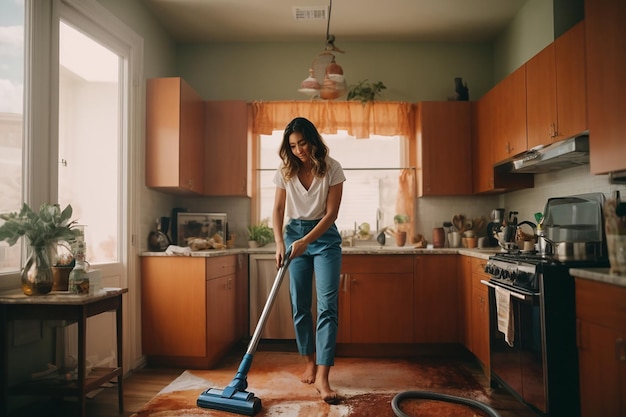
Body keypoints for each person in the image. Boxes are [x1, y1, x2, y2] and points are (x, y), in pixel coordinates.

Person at [272, 117, 345, 404]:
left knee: (327, 306)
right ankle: (308, 362)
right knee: (300, 304)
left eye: (302, 142)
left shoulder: (332, 168)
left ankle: (324, 379)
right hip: (293, 237)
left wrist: (307, 241)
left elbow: (331, 215)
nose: (299, 149)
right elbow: (278, 210)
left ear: (313, 140)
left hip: (324, 238)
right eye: (293, 145)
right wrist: (281, 242)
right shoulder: (285, 171)